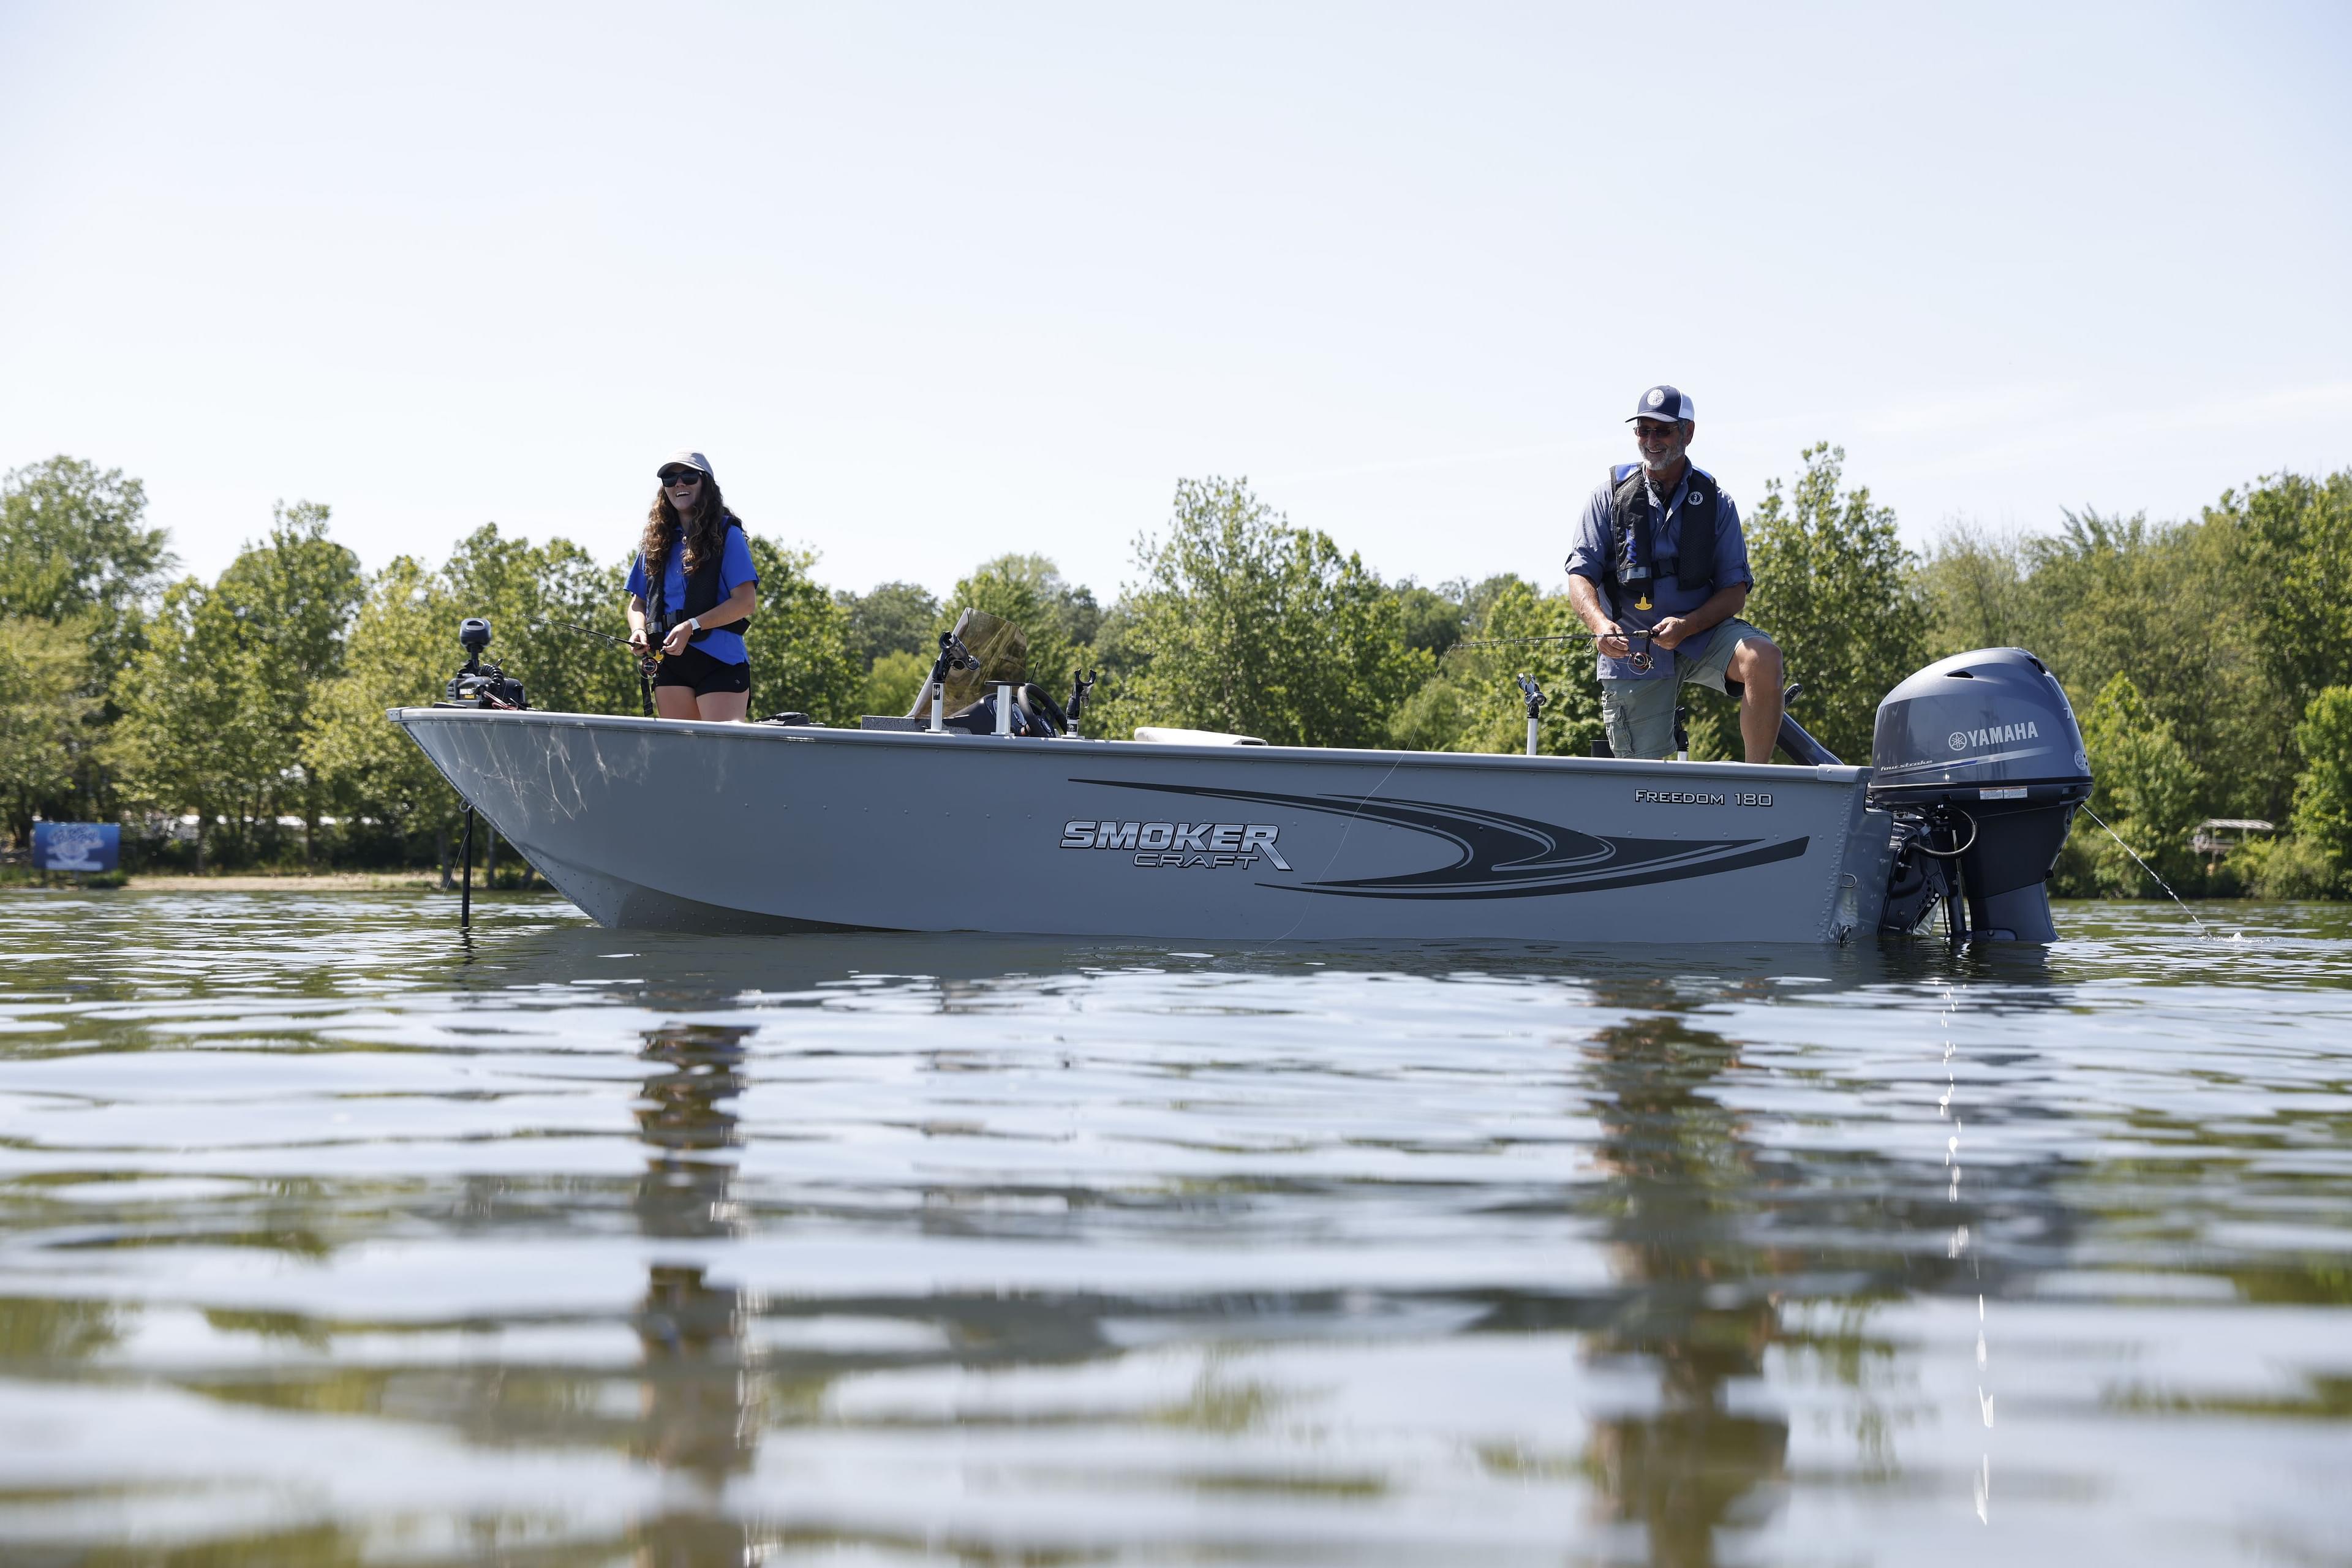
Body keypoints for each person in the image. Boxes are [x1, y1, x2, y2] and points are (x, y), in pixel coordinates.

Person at [1564, 386, 1785, 763]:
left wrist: (1688, 625)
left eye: (1662, 430)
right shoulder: (1607, 497)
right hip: (1633, 648)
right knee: (1642, 783)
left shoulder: (1717, 501)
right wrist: (1600, 625)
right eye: (1643, 430)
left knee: (1763, 657)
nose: (1650, 440)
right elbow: (1579, 574)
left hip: (1701, 634)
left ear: (1688, 432)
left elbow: (1734, 592)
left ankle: (1755, 784)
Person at [626, 451, 760, 722]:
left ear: (706, 484)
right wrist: (639, 630)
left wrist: (692, 626)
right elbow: (637, 604)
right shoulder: (655, 541)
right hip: (671, 663)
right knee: (681, 758)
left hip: (720, 661)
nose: (679, 484)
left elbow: (746, 602)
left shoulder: (727, 534)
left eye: (689, 477)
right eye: (670, 478)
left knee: (721, 758)